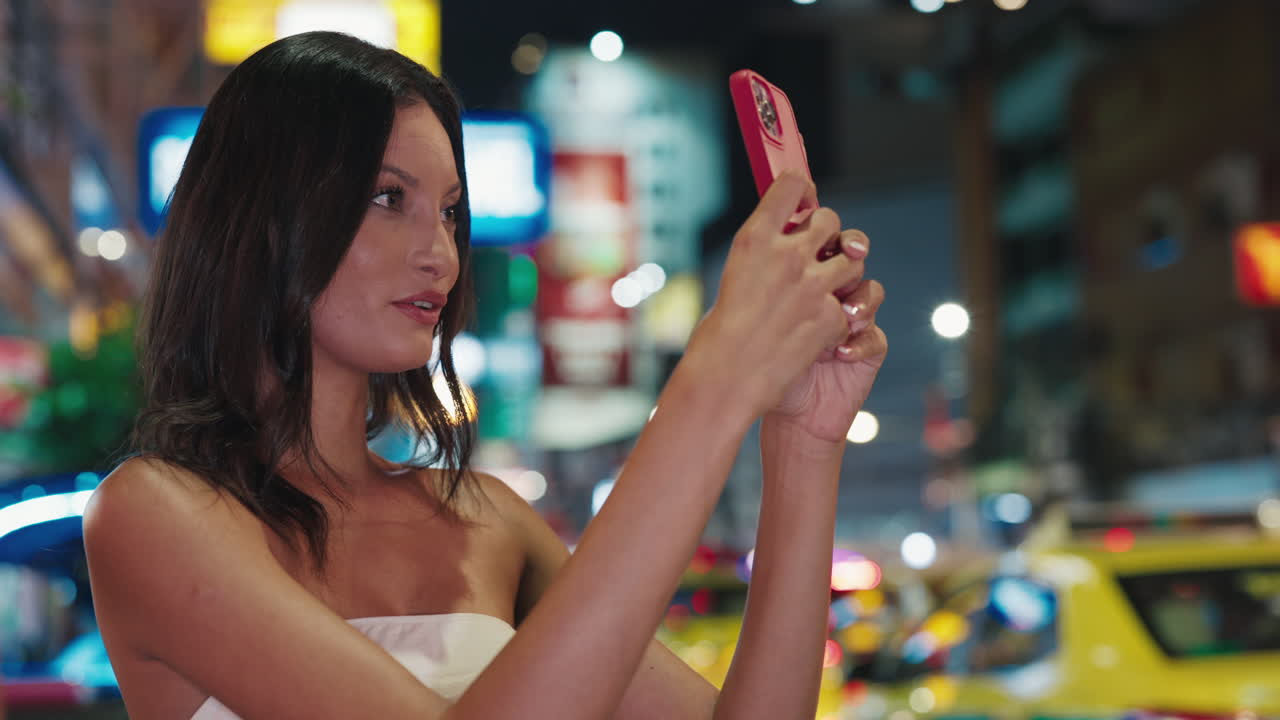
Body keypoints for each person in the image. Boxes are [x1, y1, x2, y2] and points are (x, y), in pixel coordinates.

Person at [82, 31, 887, 720]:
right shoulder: (154, 514)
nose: (440, 253)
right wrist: (712, 382)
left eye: (450, 212)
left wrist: (804, 440)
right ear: (262, 218)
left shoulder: (488, 520)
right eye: (388, 197)